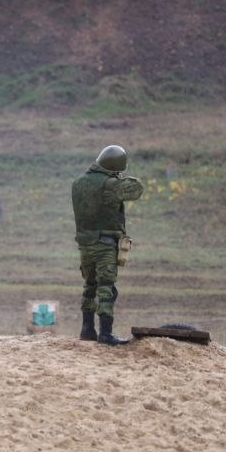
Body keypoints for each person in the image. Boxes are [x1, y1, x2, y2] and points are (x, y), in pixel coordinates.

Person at [72, 144, 144, 345]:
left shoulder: (78, 183)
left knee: (89, 285)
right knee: (106, 287)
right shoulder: (110, 184)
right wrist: (118, 178)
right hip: (104, 244)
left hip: (85, 244)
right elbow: (137, 189)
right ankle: (105, 333)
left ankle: (87, 329)